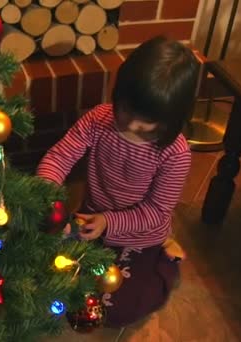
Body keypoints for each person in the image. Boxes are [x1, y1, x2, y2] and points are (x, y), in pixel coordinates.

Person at [36, 36, 199, 328]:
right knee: (44, 272)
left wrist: (109, 223)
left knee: (117, 308)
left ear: (171, 118)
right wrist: (46, 185)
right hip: (89, 219)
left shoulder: (175, 154)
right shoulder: (99, 120)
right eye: (125, 110)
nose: (129, 124)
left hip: (139, 234)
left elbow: (156, 212)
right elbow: (60, 155)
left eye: (144, 121)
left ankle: (165, 262)